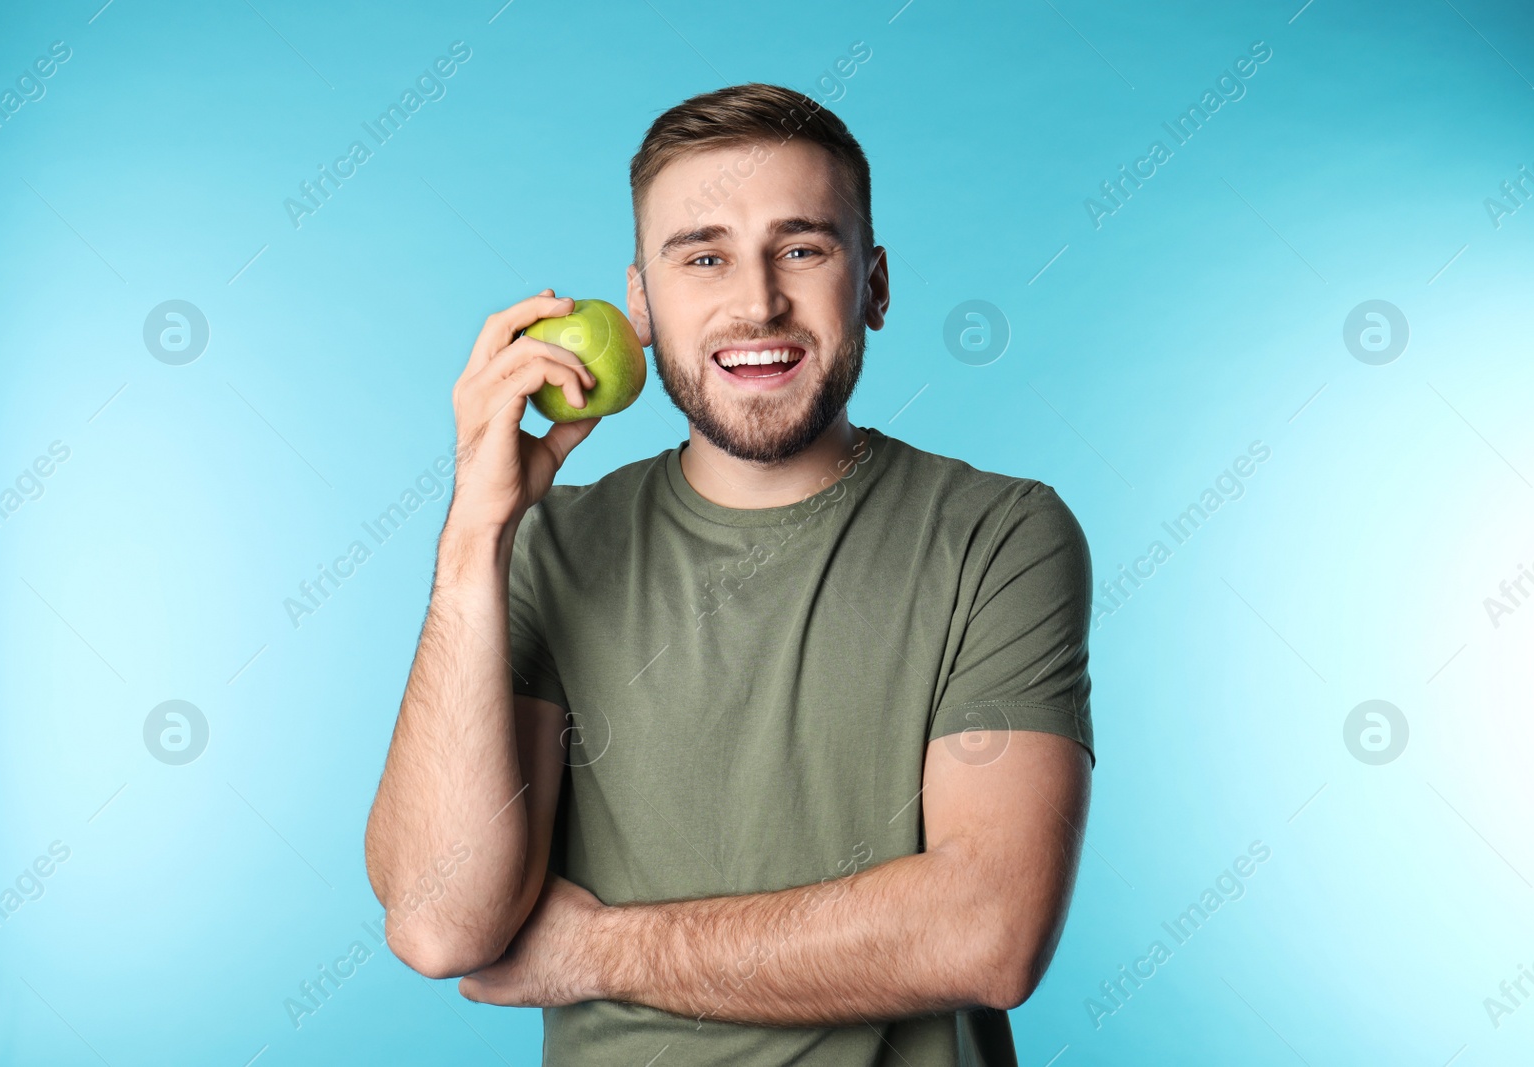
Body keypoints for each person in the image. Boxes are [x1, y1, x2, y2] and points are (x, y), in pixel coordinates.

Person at [364, 81, 1094, 1067]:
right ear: (640, 306)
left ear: (872, 285)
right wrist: (475, 535)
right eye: (702, 256)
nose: (756, 300)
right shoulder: (550, 546)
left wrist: (598, 949)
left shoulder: (997, 534)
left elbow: (986, 933)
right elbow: (441, 922)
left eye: (802, 247)